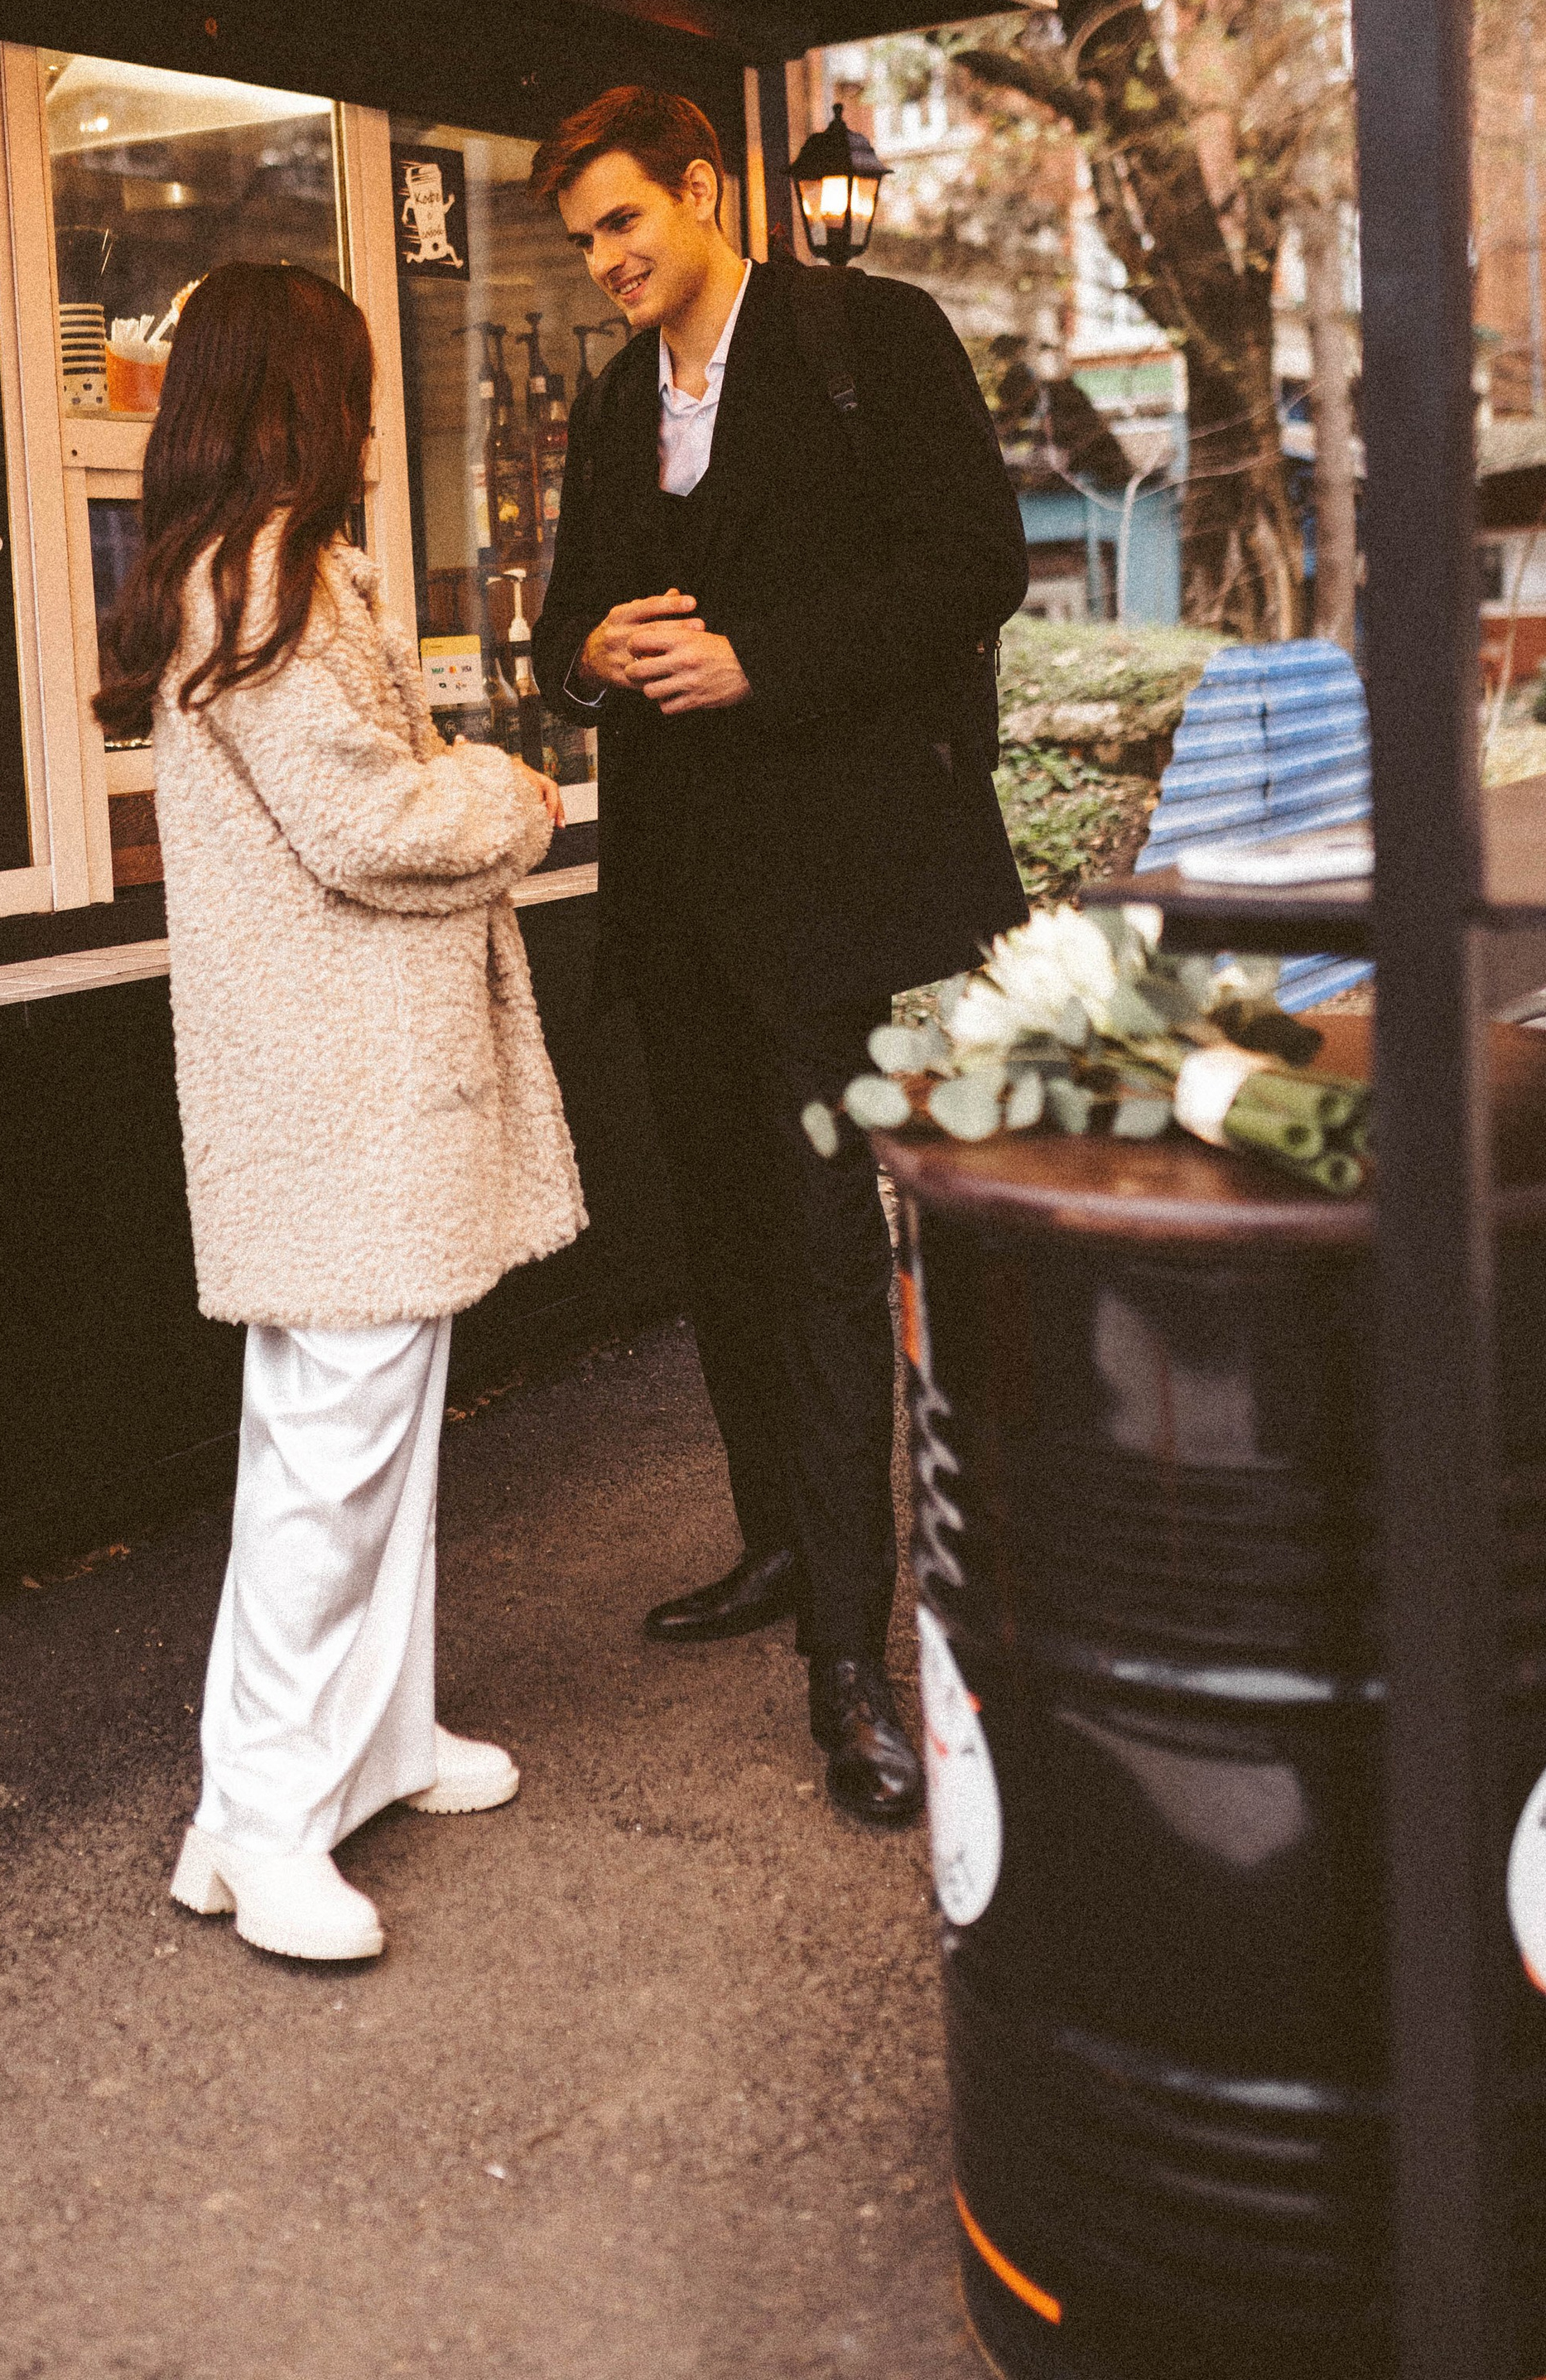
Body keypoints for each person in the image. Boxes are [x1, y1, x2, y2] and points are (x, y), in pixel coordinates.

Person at [531, 89, 1028, 1824]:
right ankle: (772, 1546)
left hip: (832, 898)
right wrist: (585, 648)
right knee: (724, 1249)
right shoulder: (612, 405)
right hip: (670, 906)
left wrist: (763, 662)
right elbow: (554, 625)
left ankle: (848, 1655)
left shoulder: (864, 336)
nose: (602, 264)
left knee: (821, 1258)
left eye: (620, 224)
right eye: (580, 241)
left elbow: (979, 565)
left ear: (700, 189)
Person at [95, 261, 585, 1963]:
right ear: (303, 393)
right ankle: (257, 1815)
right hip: (339, 1089)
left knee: (354, 1432)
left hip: (338, 1084)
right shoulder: (266, 584)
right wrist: (507, 790)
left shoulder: (254, 575)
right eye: (353, 383)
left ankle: (366, 1746)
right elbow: (370, 825)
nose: (372, 415)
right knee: (334, 1452)